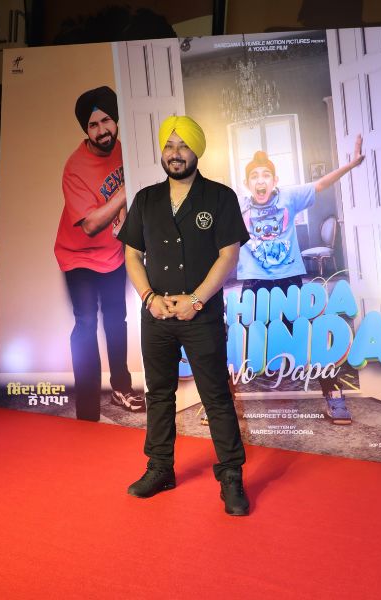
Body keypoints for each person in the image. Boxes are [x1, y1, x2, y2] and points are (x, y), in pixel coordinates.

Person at [118, 115, 251, 516]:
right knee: (159, 394)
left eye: (183, 146)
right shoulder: (146, 200)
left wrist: (195, 300)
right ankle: (160, 468)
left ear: (197, 151)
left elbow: (229, 256)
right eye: (169, 146)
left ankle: (231, 477)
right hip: (156, 315)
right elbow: (132, 255)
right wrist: (148, 298)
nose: (175, 154)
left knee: (216, 396)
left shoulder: (220, 197)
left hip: (202, 316)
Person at [236, 141, 364, 424]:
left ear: (275, 180)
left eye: (266, 175)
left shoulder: (289, 197)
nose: (260, 181)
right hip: (254, 284)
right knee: (239, 341)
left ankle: (333, 395)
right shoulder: (238, 205)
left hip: (289, 280)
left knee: (309, 338)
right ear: (247, 183)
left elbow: (321, 184)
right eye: (254, 176)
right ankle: (221, 405)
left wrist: (351, 165)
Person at [53, 86, 144, 421]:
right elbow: (90, 225)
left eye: (106, 121)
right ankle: (88, 408)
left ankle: (121, 388)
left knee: (117, 319)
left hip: (114, 254)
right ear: (86, 130)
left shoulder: (126, 150)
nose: (102, 130)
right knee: (86, 322)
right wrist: (124, 193)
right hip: (79, 257)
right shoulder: (75, 167)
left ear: (116, 120)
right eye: (93, 125)